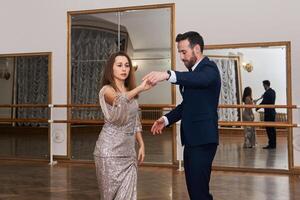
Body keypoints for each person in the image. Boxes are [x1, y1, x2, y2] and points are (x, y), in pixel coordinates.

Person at [143, 31, 221, 200]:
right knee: (195, 191)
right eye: (179, 52)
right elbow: (187, 105)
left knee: (199, 192)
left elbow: (201, 79)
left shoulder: (209, 68)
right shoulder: (192, 74)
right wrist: (166, 119)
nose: (181, 57)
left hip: (204, 140)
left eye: (184, 52)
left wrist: (168, 75)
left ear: (197, 49)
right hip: (191, 140)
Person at [93, 51, 152, 200]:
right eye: (119, 65)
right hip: (109, 153)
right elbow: (119, 100)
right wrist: (140, 88)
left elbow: (135, 121)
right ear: (110, 69)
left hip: (128, 153)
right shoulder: (106, 90)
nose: (124, 69)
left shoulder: (129, 92)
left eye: (127, 65)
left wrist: (141, 144)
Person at [254, 80, 276, 149]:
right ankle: (273, 144)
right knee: (272, 129)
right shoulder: (272, 91)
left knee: (269, 129)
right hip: (272, 112)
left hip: (268, 113)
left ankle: (271, 144)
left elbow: (264, 102)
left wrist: (257, 107)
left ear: (266, 85)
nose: (263, 86)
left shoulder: (267, 93)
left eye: (263, 85)